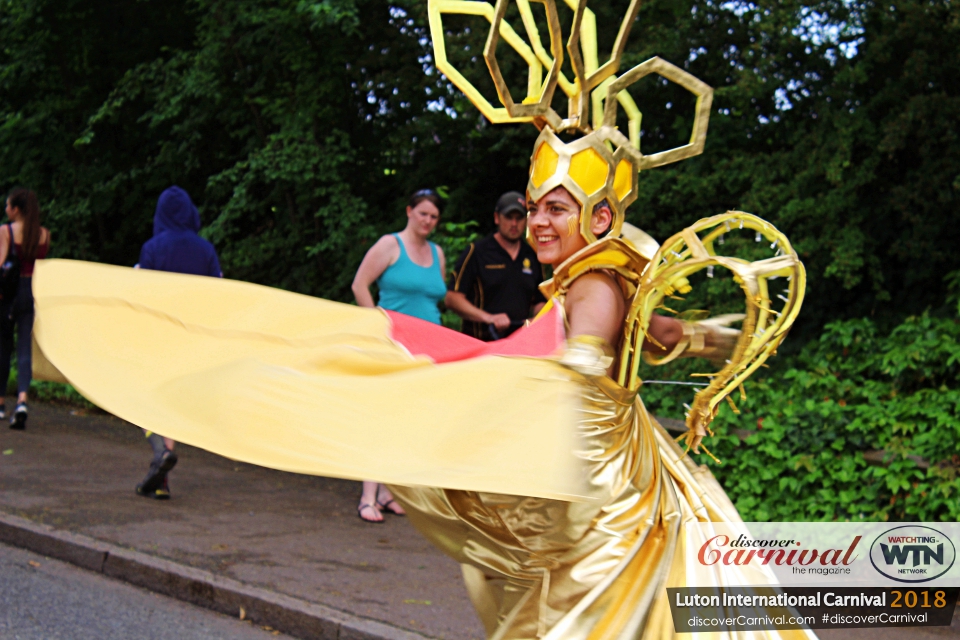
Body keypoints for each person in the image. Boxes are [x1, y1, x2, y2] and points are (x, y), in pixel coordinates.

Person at [350, 188, 446, 522]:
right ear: (409, 211)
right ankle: (368, 497)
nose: (428, 221)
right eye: (422, 214)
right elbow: (359, 285)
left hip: (429, 346)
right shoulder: (390, 245)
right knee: (382, 417)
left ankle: (393, 494)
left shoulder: (437, 252)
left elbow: (435, 298)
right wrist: (380, 326)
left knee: (414, 420)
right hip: (393, 344)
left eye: (433, 217)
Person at [134, 185, 222, 499]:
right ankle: (161, 477)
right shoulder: (204, 249)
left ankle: (161, 452)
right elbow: (219, 292)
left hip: (158, 334)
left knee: (146, 398)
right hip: (190, 337)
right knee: (171, 401)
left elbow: (144, 293)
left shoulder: (152, 247)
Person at [446, 191, 546, 340]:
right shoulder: (477, 252)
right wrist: (489, 318)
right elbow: (452, 298)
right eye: (508, 217)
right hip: (480, 343)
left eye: (519, 218)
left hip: (520, 343)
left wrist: (538, 319)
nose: (514, 224)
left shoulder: (533, 255)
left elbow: (539, 300)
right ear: (496, 218)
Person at [0, 188, 51, 430]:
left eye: (8, 205)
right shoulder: (44, 235)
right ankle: (22, 400)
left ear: (16, 209)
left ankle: (0, 402)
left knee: (3, 346)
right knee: (23, 350)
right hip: (33, 292)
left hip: (8, 294)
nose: (6, 209)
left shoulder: (6, 231)